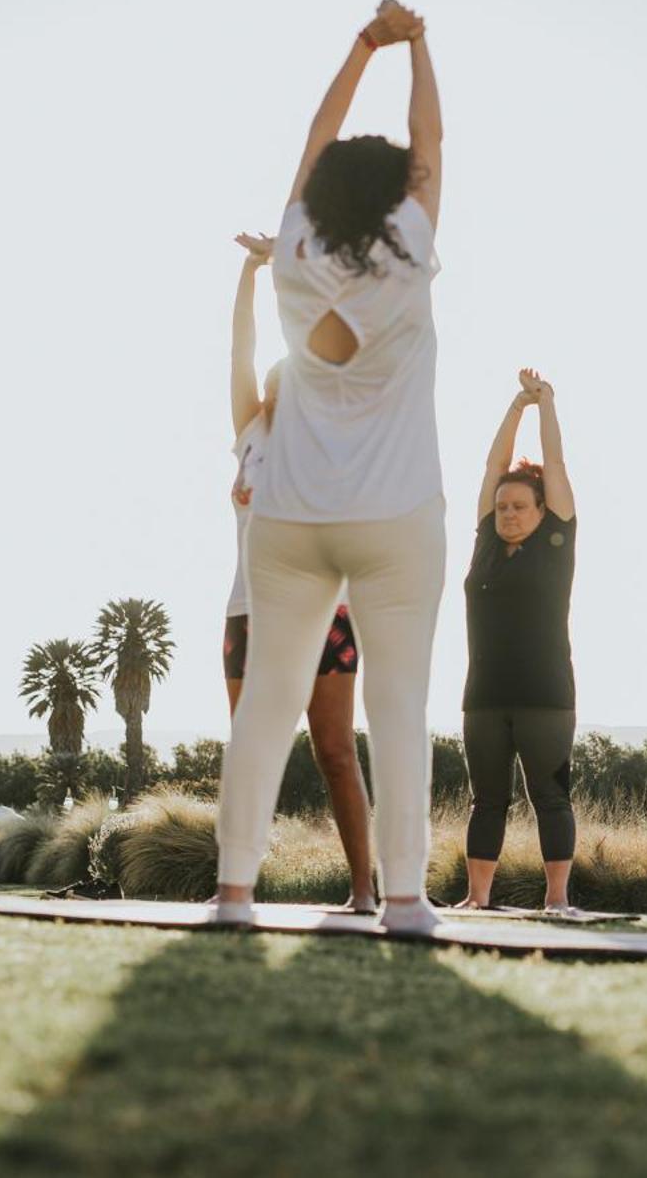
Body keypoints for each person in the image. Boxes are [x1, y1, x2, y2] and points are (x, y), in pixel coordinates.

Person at [212, 0, 447, 933]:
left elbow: (317, 133)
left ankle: (234, 893)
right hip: (393, 513)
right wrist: (417, 43)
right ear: (398, 195)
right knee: (397, 707)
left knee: (266, 704)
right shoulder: (411, 251)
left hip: (293, 513)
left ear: (318, 196)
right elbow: (430, 140)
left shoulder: (296, 251)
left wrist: (361, 47)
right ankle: (403, 900)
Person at [221, 232, 375, 914]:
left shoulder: (329, 449)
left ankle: (366, 890)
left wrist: (300, 272)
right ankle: (236, 887)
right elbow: (239, 356)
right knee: (252, 751)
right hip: (247, 611)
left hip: (321, 615)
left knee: (336, 752)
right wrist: (252, 274)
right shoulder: (252, 437)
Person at [454, 369, 579, 913]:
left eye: (518, 507)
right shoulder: (484, 544)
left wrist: (544, 405)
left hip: (546, 694)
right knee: (487, 800)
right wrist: (513, 406)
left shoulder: (556, 539)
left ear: (541, 510)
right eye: (502, 507)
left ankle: (556, 900)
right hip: (483, 695)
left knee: (549, 798)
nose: (507, 513)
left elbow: (554, 467)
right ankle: (477, 900)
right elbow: (491, 468)